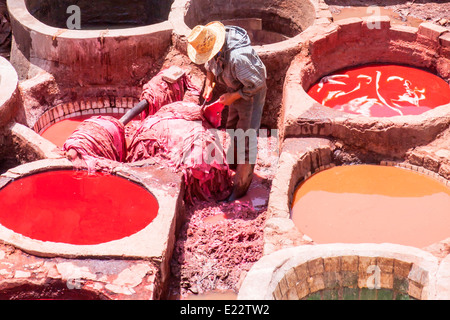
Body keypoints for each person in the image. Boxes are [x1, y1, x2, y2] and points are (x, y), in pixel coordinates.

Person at [187, 21, 267, 201]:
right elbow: (210, 66)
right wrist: (209, 83)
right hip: (235, 88)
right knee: (232, 126)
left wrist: (233, 97)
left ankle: (241, 186)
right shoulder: (213, 48)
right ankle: (232, 164)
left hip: (251, 91)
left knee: (246, 136)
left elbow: (257, 84)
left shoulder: (238, 58)